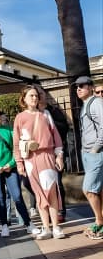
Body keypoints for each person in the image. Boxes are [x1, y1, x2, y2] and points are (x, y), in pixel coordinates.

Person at [13, 85, 65, 240]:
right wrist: (19, 163)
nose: (34, 98)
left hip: (46, 155)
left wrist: (59, 155)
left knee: (51, 192)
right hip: (30, 159)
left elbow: (56, 137)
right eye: (31, 96)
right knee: (39, 193)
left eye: (36, 95)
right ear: (24, 99)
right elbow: (16, 142)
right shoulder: (20, 117)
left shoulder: (45, 115)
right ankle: (46, 227)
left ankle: (56, 227)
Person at [0, 105, 38, 237]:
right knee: (0, 197)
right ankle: (4, 225)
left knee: (17, 196)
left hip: (10, 168)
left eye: (0, 113)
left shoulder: (10, 130)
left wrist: (11, 163)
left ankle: (29, 224)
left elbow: (17, 149)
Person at [73, 76, 103, 239]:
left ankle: (99, 222)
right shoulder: (86, 105)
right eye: (76, 87)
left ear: (91, 87)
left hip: (95, 153)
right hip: (88, 153)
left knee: (89, 189)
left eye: (82, 86)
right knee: (98, 189)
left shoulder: (96, 103)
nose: (78, 89)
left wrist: (95, 149)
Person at [37, 85, 69, 222]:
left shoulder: (53, 111)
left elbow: (64, 128)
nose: (38, 96)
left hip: (54, 151)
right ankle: (46, 210)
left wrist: (49, 125)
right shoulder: (31, 113)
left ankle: (60, 210)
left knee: (56, 182)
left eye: (40, 94)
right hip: (37, 155)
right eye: (35, 94)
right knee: (40, 184)